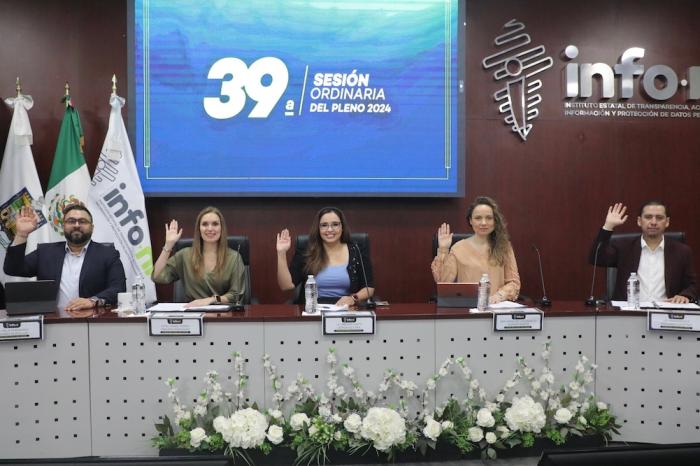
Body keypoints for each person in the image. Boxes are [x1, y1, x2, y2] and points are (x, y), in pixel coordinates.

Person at [3, 204, 126, 311]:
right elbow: (12, 269)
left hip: (91, 321)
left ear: (92, 227)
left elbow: (118, 288)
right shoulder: (45, 253)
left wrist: (93, 301)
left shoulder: (108, 254)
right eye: (71, 221)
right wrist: (21, 235)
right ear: (63, 226)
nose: (77, 225)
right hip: (52, 322)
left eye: (82, 221)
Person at [590, 201, 697, 303]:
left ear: (667, 222)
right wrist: (608, 226)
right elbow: (596, 258)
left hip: (665, 312)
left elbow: (692, 285)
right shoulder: (624, 247)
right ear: (639, 221)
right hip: (629, 313)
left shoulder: (682, 251)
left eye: (659, 218)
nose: (653, 222)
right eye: (648, 217)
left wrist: (685, 295)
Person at [276, 207, 374, 306]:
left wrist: (353, 298)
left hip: (346, 309)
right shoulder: (307, 251)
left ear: (342, 227)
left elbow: (369, 288)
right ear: (318, 229)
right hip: (313, 310)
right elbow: (286, 286)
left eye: (335, 224)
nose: (330, 229)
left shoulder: (356, 250)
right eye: (324, 225)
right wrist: (281, 253)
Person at [431, 196, 520, 303]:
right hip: (467, 309)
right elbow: (443, 283)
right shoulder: (458, 248)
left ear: (495, 221)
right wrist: (443, 249)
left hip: (496, 307)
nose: (483, 223)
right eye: (478, 218)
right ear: (471, 221)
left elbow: (513, 283)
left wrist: (498, 297)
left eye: (489, 218)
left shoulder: (504, 247)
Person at [152, 206, 245, 307]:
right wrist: (168, 245)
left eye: (215, 224)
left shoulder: (234, 257)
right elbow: (157, 276)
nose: (210, 228)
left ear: (221, 228)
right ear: (199, 229)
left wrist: (211, 300)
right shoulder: (185, 255)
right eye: (205, 224)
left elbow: (236, 295)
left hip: (224, 316)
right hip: (192, 314)